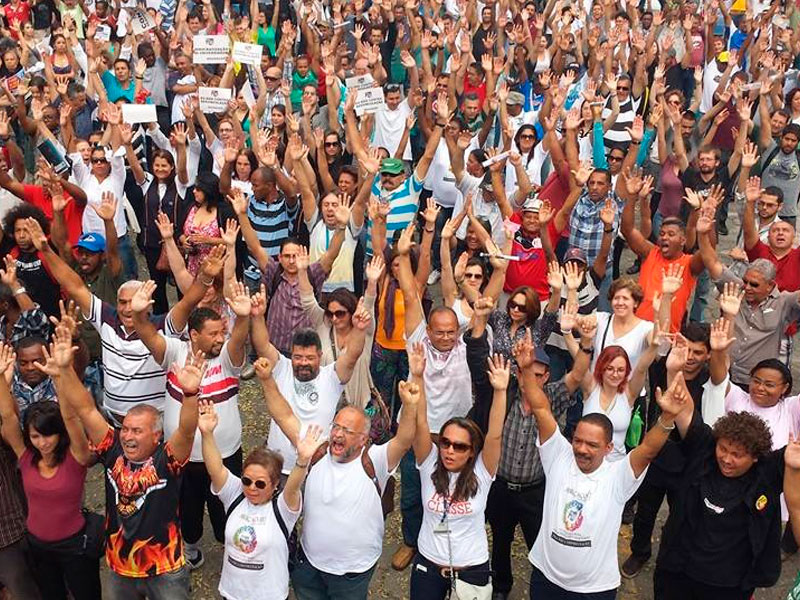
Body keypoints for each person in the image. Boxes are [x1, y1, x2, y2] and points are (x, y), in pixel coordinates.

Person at [522, 326, 692, 597]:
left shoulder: (618, 475)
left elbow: (647, 449)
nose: (582, 449)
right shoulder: (558, 456)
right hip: (545, 578)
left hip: (594, 589)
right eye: (578, 440)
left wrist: (668, 418)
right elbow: (541, 408)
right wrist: (526, 370)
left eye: (592, 445)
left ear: (609, 447)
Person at [255, 355, 420, 600]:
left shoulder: (375, 460)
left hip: (352, 571)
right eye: (336, 426)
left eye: (347, 430)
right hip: (309, 563)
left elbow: (405, 439)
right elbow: (284, 416)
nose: (338, 434)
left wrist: (409, 405)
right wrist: (268, 380)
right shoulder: (316, 450)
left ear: (363, 438)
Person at [62, 341, 205, 599]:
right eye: (125, 428)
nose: (127, 435)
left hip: (164, 567)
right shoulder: (112, 447)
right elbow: (85, 408)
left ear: (156, 436)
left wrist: (191, 394)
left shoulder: (168, 459)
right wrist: (65, 369)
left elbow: (186, 430)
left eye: (137, 431)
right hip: (119, 567)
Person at [129, 277, 252, 569]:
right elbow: (147, 334)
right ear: (193, 335)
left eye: (221, 332)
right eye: (213, 334)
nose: (220, 338)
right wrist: (137, 314)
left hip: (225, 454)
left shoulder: (227, 357)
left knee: (228, 505)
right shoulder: (174, 352)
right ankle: (192, 546)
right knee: (188, 508)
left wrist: (244, 318)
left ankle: (230, 548)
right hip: (182, 457)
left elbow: (237, 340)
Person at [406, 311, 507, 599]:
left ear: (472, 450)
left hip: (471, 570)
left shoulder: (483, 472)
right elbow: (422, 422)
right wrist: (417, 374)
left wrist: (500, 391)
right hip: (427, 566)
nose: (450, 450)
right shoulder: (429, 464)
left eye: (460, 446)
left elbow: (495, 434)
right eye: (446, 443)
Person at [653, 405, 794, 599]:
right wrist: (673, 375)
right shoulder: (704, 454)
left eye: (737, 455)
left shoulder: (766, 475)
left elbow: (790, 459)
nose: (727, 459)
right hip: (678, 571)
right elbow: (683, 409)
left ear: (755, 457)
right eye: (723, 449)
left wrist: (793, 460)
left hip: (729, 585)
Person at [0, 326, 99, 600]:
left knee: (85, 594)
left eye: (48, 435)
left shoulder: (75, 458)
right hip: (38, 545)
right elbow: (9, 418)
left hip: (75, 545)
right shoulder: (26, 457)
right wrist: (1, 379)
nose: (42, 442)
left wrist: (61, 377)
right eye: (35, 436)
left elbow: (71, 418)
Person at [198, 399, 322, 600]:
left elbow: (293, 487)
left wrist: (302, 461)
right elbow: (215, 468)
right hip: (232, 594)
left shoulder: (282, 508)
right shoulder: (235, 495)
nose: (251, 488)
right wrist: (206, 434)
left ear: (274, 485)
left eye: (260, 484)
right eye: (247, 480)